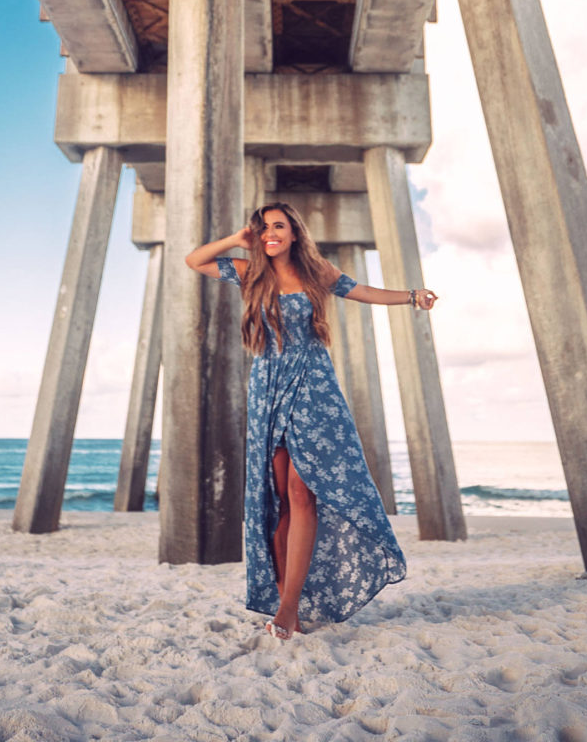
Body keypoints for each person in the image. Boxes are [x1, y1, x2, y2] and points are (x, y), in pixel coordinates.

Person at [186, 201, 438, 639]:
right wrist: (237, 239)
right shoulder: (250, 272)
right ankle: (291, 604)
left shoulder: (316, 272)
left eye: (279, 226)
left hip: (316, 389)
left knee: (305, 494)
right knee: (281, 499)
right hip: (268, 388)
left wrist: (412, 296)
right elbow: (195, 261)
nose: (271, 233)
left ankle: (286, 609)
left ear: (295, 233)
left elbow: (363, 291)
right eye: (264, 228)